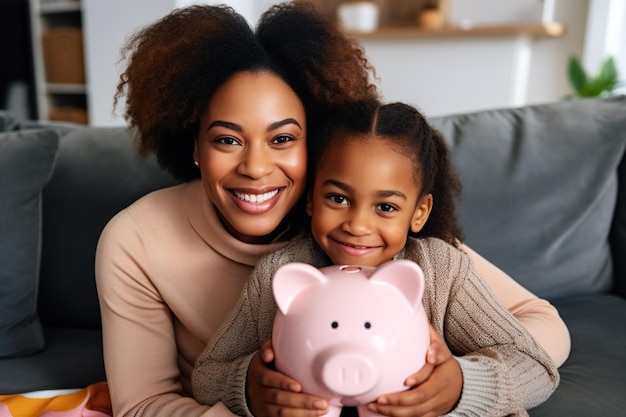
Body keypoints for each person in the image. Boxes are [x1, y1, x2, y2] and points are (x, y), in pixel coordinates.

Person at [95, 2, 568, 417]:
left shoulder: (398, 242)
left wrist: (455, 383)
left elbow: (539, 330)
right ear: (194, 144)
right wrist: (251, 397)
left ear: (315, 148)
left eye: (283, 138)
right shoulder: (140, 241)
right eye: (226, 139)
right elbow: (144, 403)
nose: (257, 168)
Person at [191, 100, 560, 417]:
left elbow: (536, 366)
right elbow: (206, 375)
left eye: (385, 207)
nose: (357, 225)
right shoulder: (281, 274)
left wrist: (461, 386)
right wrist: (249, 387)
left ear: (419, 213)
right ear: (310, 198)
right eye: (338, 198)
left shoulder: (441, 270)